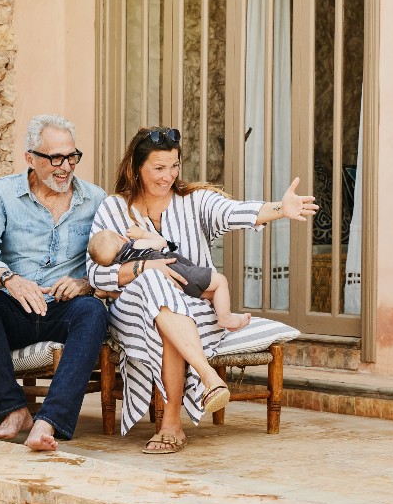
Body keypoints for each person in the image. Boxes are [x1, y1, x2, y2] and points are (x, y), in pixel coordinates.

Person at [88, 127, 317, 454]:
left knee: (169, 310)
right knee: (155, 284)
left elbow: (233, 211)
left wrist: (280, 208)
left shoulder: (194, 201)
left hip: (193, 308)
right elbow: (95, 273)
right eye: (159, 168)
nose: (168, 176)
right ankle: (207, 378)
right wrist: (144, 267)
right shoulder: (113, 209)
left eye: (174, 166)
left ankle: (172, 424)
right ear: (136, 167)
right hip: (134, 313)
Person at [0, 114, 109, 452]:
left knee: (94, 311)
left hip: (63, 311)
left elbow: (111, 260)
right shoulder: (3, 192)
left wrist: (84, 284)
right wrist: (9, 279)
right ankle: (14, 410)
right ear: (30, 158)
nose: (65, 167)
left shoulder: (96, 199)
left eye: (71, 157)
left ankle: (48, 421)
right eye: (55, 158)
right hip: (14, 310)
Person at [88, 227, 250, 332]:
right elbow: (161, 242)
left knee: (207, 293)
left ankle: (223, 319)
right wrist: (143, 234)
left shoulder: (123, 266)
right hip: (173, 270)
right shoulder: (136, 246)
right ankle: (225, 318)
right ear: (122, 238)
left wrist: (107, 293)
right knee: (220, 281)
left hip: (166, 289)